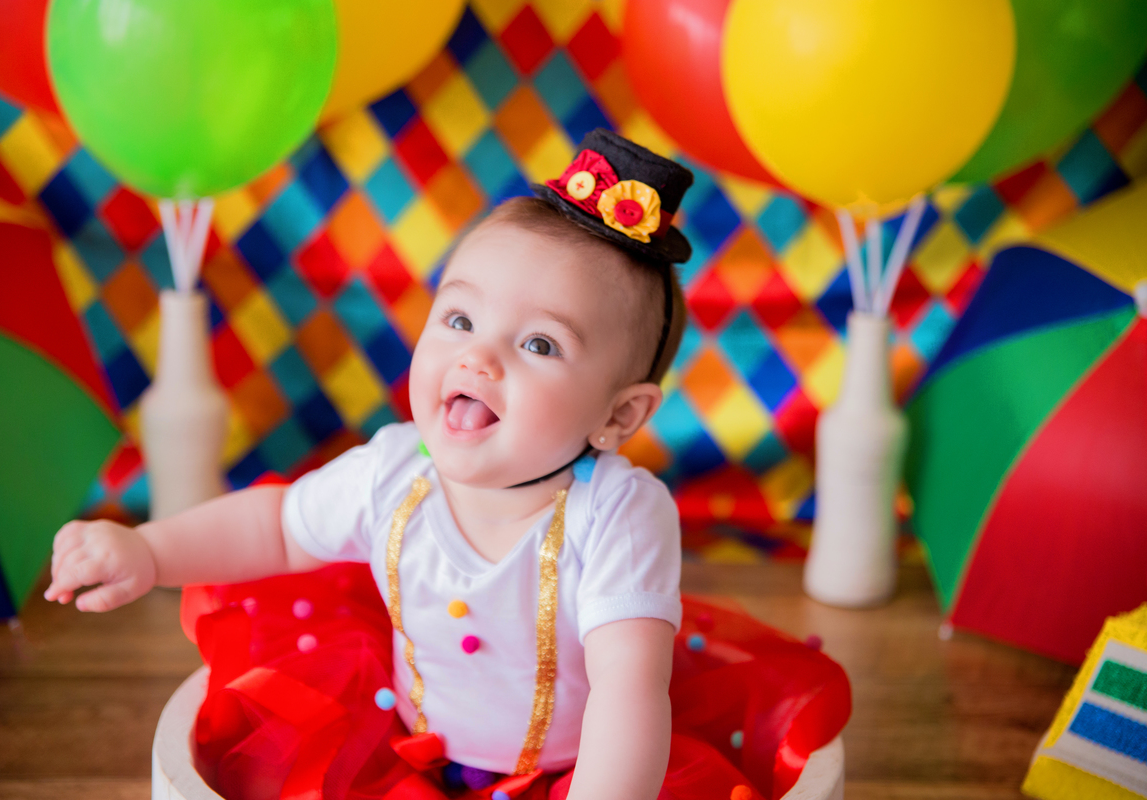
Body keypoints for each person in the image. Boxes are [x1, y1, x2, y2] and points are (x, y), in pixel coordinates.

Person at [45, 130, 849, 800]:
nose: (480, 357)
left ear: (618, 416)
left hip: (577, 771)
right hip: (402, 740)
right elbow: (277, 525)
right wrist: (149, 551)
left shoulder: (617, 516)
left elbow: (627, 694)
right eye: (460, 317)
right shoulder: (397, 469)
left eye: (539, 344)